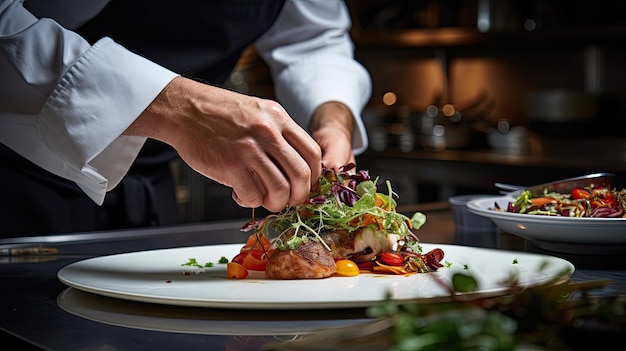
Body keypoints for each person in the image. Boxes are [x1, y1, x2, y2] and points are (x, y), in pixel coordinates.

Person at [0, 0, 372, 236]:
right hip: (21, 179)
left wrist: (333, 119)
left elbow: (313, 39)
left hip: (150, 188)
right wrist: (182, 109)